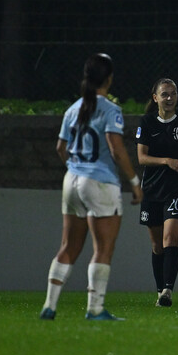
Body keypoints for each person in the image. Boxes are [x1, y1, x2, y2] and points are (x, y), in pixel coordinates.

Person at [40, 53, 143, 321]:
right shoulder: (110, 109)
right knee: (103, 249)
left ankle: (49, 306)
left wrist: (76, 168)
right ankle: (95, 309)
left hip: (71, 180)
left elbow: (60, 148)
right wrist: (134, 182)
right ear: (109, 78)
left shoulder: (73, 108)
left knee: (68, 247)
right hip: (99, 182)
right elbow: (116, 148)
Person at [136, 78, 178, 307]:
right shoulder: (147, 122)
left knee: (170, 239)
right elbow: (141, 157)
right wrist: (167, 161)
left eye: (173, 93)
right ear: (155, 98)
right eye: (164, 94)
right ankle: (159, 291)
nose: (169, 98)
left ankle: (168, 290)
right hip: (152, 190)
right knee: (156, 245)